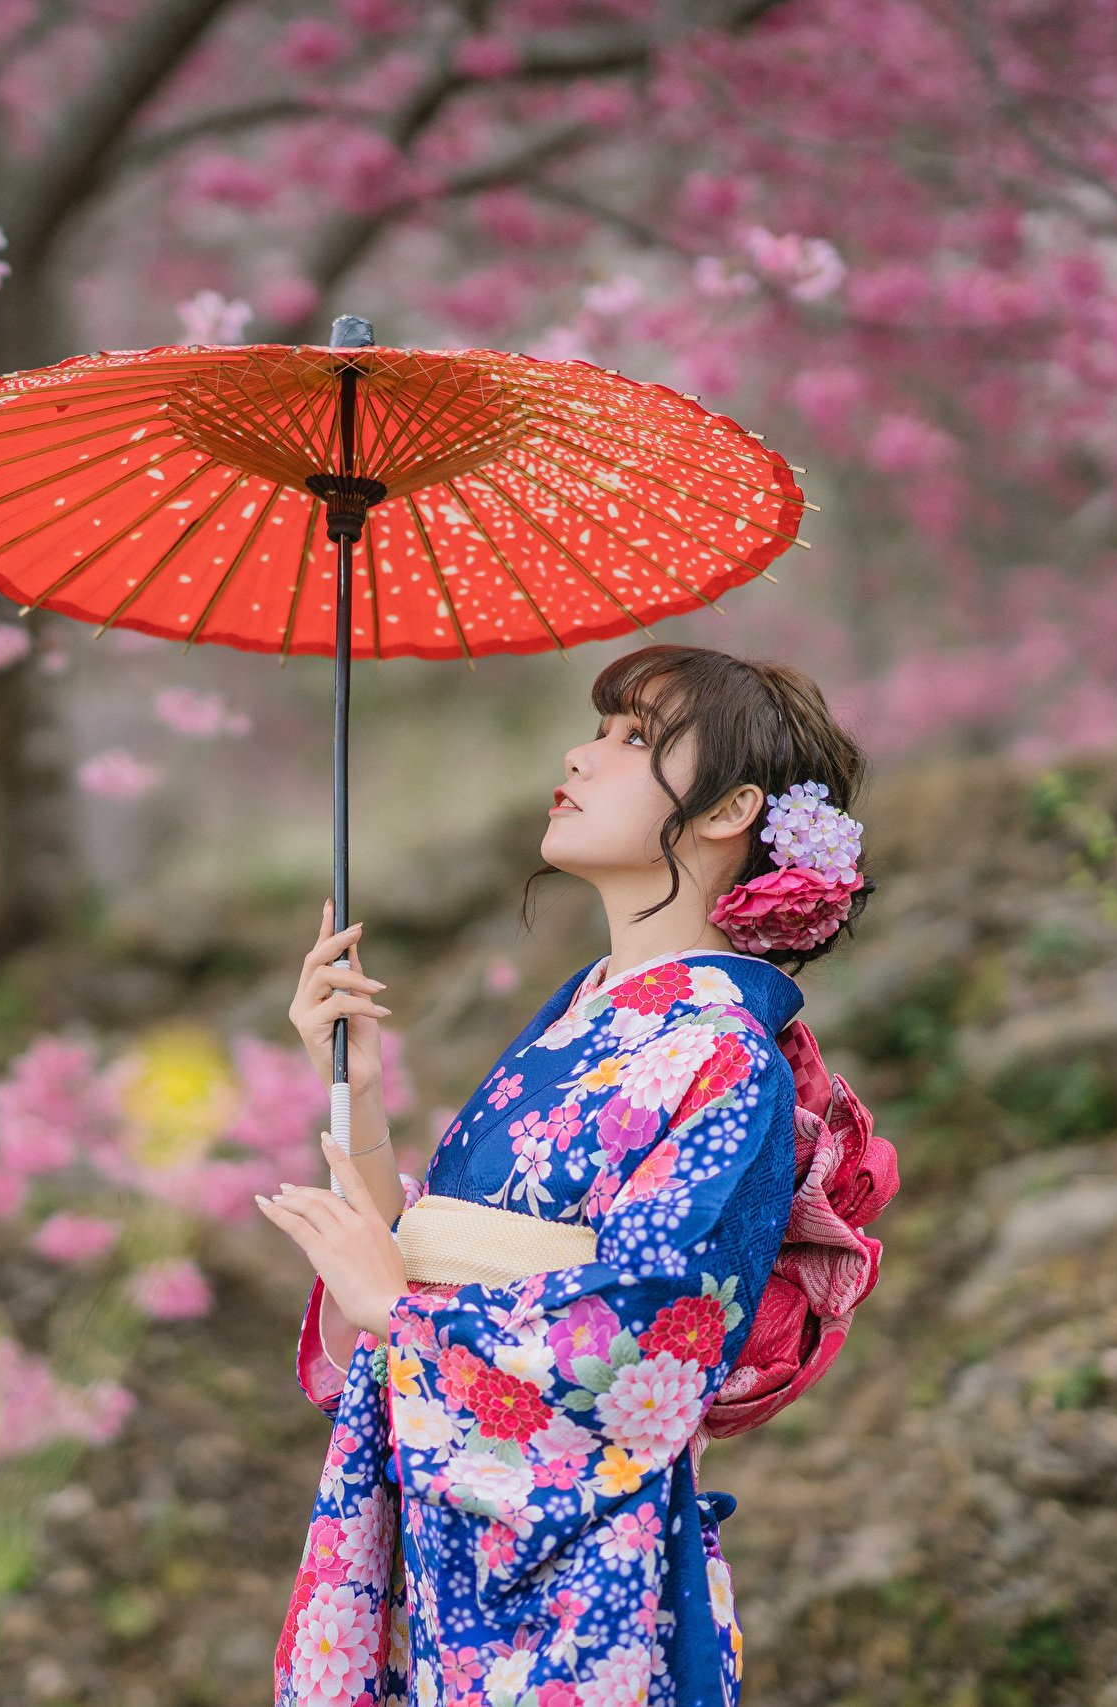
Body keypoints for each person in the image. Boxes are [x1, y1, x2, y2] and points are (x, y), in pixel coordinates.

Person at [255, 644, 893, 1707]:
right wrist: (356, 1089)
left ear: (731, 810)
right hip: (460, 1519)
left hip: (578, 1576)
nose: (580, 755)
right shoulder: (593, 1019)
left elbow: (656, 1334)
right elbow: (423, 1258)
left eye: (634, 738)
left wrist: (398, 1318)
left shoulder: (724, 1053)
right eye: (601, 729)